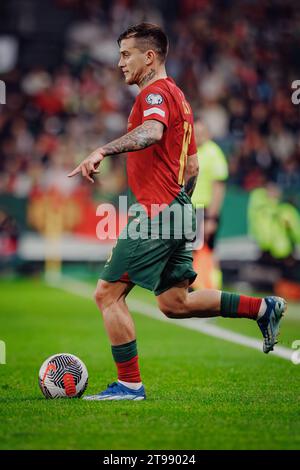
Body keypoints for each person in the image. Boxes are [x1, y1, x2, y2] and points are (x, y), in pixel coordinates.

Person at [68, 23, 287, 401]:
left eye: (126, 55)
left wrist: (101, 150)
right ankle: (263, 307)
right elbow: (194, 167)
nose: (120, 63)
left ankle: (130, 386)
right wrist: (180, 207)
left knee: (107, 295)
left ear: (149, 57)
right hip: (177, 210)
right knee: (174, 303)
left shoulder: (153, 95)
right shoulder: (180, 98)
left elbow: (152, 133)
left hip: (157, 211)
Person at [191, 120, 228, 289]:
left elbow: (218, 188)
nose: (198, 136)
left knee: (209, 250)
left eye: (201, 133)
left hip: (204, 210)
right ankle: (191, 286)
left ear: (208, 134)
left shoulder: (214, 153)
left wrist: (211, 218)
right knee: (189, 250)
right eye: (195, 133)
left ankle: (213, 286)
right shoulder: (189, 151)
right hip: (189, 209)